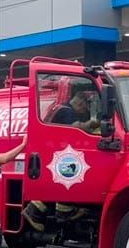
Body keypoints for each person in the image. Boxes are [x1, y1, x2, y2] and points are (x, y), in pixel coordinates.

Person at [22, 90, 97, 232]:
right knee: (69, 176)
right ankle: (61, 212)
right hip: (58, 153)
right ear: (80, 101)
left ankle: (38, 212)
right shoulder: (67, 112)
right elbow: (76, 127)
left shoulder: (60, 108)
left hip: (51, 152)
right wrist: (92, 124)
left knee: (60, 181)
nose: (84, 110)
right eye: (85, 107)